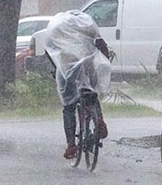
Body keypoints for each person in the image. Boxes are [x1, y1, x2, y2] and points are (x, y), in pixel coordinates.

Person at [38, 11, 112, 159]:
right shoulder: (88, 26)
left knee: (69, 107)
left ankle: (71, 144)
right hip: (88, 66)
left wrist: (56, 69)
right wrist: (105, 63)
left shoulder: (56, 31)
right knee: (92, 94)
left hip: (67, 68)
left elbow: (50, 52)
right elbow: (102, 46)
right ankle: (98, 120)